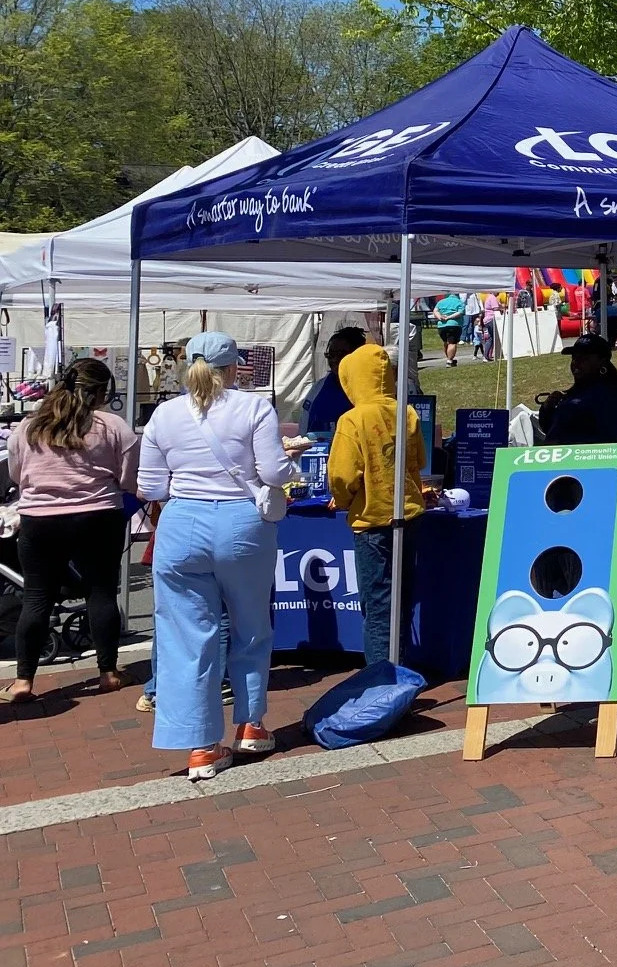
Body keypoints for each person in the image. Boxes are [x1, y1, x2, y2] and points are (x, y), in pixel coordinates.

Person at [137, 331, 302, 780]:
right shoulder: (253, 407)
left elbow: (150, 487)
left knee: (186, 637)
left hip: (181, 524)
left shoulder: (164, 415)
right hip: (241, 523)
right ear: (233, 368)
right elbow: (271, 471)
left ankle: (200, 746)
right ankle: (250, 723)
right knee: (251, 626)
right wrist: (293, 465)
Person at [5, 360, 139, 702]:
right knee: (101, 591)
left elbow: (18, 476)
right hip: (97, 517)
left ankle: (23, 681)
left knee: (36, 597)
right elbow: (129, 480)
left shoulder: (29, 427)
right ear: (100, 392)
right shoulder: (112, 426)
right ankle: (108, 671)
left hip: (40, 520)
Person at [325, 342, 424, 667]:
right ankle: (400, 669)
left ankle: (382, 680)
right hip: (408, 515)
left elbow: (342, 475)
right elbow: (418, 462)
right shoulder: (406, 412)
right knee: (402, 600)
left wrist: (342, 500)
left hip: (372, 521)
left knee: (378, 604)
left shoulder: (353, 420)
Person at [537, 335, 617, 445]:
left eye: (584, 359)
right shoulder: (575, 392)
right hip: (556, 457)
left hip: (584, 458)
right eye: (574, 357)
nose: (576, 363)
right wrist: (548, 408)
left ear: (602, 362)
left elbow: (608, 439)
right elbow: (551, 429)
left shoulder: (610, 397)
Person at [301, 326, 368, 435]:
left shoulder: (367, 389)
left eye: (341, 354)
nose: (334, 359)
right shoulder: (319, 387)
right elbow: (304, 422)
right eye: (331, 355)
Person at [432, 292, 467, 366]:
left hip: (441, 325)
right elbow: (460, 312)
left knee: (446, 342)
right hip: (454, 325)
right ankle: (449, 361)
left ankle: (449, 358)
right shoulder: (459, 302)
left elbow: (435, 310)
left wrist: (440, 317)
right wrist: (449, 317)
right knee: (452, 343)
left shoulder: (441, 302)